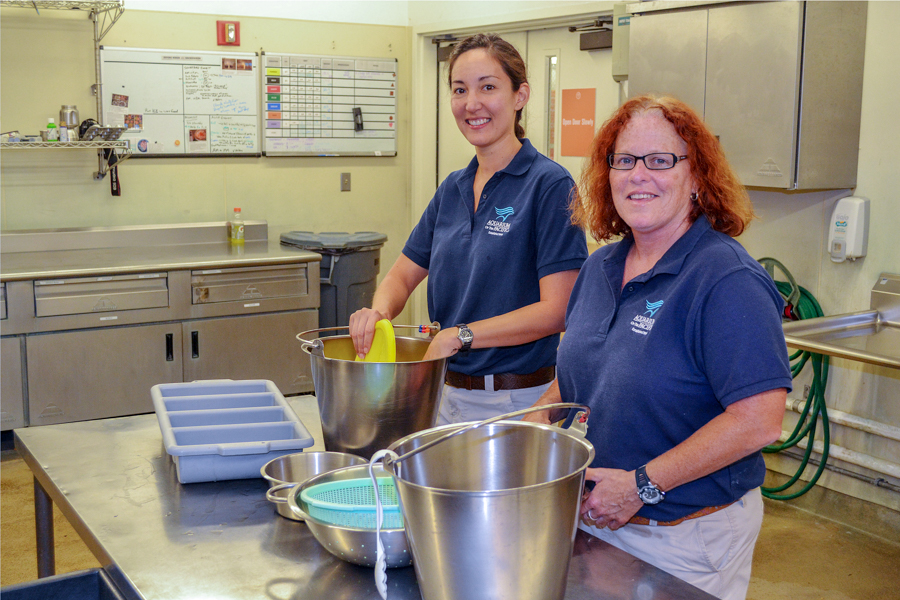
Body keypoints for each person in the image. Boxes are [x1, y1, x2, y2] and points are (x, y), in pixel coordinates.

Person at [523, 95, 792, 600]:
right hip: (598, 519)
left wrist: (642, 485)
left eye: (660, 160)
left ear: (697, 178)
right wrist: (532, 425)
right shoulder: (600, 268)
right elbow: (584, 375)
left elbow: (759, 420)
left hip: (684, 536)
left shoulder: (725, 278)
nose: (638, 175)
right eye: (624, 160)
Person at [349, 33, 587, 425]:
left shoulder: (549, 185)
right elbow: (404, 272)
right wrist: (378, 312)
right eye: (460, 90)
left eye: (488, 87)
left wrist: (461, 335)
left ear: (520, 96)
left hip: (516, 402)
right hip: (443, 393)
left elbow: (558, 309)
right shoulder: (454, 187)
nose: (471, 104)